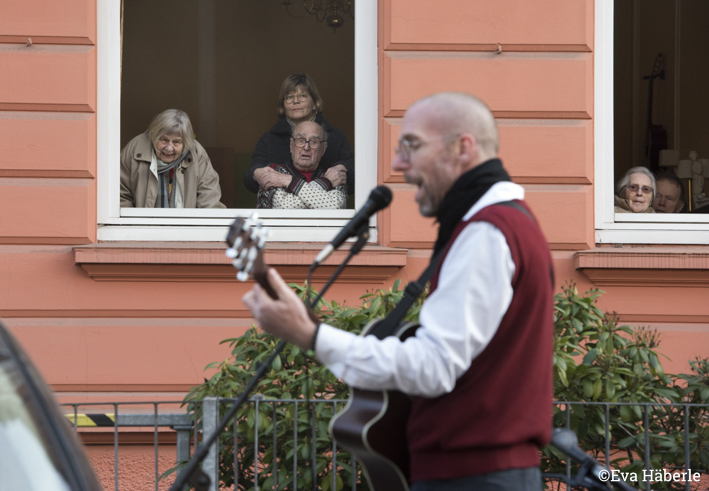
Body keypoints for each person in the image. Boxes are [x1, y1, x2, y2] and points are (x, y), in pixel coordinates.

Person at [243, 92, 555, 490]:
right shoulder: (501, 225)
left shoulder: (486, 234)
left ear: (462, 149)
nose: (397, 164)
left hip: (471, 477)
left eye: (412, 146)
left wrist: (312, 336)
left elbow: (433, 366)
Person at [244, 73, 353, 197]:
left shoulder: (336, 137)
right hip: (281, 213)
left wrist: (342, 171)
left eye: (302, 96)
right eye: (289, 97)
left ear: (315, 103)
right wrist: (256, 173)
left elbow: (355, 180)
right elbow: (249, 181)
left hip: (324, 212)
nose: (295, 101)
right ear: (283, 106)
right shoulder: (268, 139)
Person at [120, 109, 225, 208]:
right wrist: (133, 225)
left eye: (176, 142)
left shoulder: (197, 153)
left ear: (185, 142)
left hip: (185, 227)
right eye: (164, 140)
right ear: (154, 136)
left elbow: (209, 198)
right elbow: (119, 194)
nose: (169, 148)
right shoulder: (135, 149)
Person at [257, 121, 347, 209]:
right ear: (291, 145)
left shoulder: (335, 175)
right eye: (301, 140)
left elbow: (335, 207)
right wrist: (326, 182)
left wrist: (288, 180)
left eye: (314, 142)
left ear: (323, 149)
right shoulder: (274, 172)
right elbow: (284, 207)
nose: (306, 147)